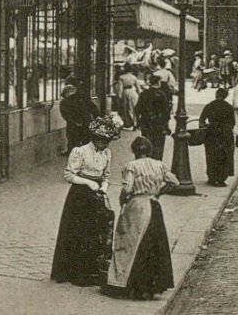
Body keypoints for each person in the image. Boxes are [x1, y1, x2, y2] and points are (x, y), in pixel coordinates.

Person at [103, 136, 179, 300]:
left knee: (128, 243)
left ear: (134, 151)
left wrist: (123, 200)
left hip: (137, 206)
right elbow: (174, 181)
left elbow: (128, 188)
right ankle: (150, 286)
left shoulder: (131, 166)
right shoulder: (159, 164)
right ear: (149, 150)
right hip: (154, 205)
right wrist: (158, 192)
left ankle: (122, 283)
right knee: (153, 244)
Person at [51, 116, 121, 287]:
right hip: (80, 195)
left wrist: (103, 186)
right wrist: (88, 182)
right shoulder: (80, 151)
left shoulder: (107, 153)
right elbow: (69, 175)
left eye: (107, 142)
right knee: (77, 231)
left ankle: (92, 271)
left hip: (96, 195)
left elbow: (106, 175)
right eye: (102, 141)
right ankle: (74, 272)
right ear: (95, 138)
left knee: (95, 232)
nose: (104, 145)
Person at [199, 88, 236, 186]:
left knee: (211, 155)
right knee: (225, 155)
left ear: (216, 95)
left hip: (212, 133)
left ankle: (212, 177)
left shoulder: (210, 105)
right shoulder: (228, 107)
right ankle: (221, 178)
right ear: (225, 96)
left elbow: (202, 119)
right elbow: (232, 122)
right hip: (225, 134)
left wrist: (205, 128)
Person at [135, 75, 171, 161]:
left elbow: (137, 109)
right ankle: (157, 167)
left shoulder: (143, 94)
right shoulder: (162, 95)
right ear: (158, 83)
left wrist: (138, 122)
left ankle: (147, 165)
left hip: (146, 125)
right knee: (158, 149)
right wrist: (166, 126)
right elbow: (166, 112)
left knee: (147, 146)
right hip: (159, 126)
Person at [60, 84, 99, 153]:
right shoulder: (83, 98)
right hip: (87, 123)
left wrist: (75, 122)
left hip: (73, 126)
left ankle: (73, 157)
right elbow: (94, 109)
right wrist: (96, 120)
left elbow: (66, 115)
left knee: (73, 144)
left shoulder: (64, 102)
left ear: (66, 93)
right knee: (86, 143)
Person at [116, 65, 141, 130]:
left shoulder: (121, 77)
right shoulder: (134, 77)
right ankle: (135, 123)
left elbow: (120, 89)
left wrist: (119, 97)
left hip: (125, 92)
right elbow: (138, 88)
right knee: (133, 108)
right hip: (133, 93)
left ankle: (128, 123)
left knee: (126, 108)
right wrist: (140, 95)